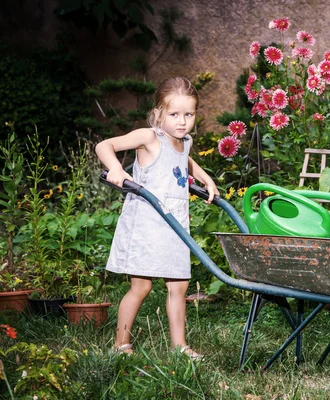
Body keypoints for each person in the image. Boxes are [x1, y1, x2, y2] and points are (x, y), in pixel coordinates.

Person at [96, 77, 219, 358]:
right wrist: (116, 169)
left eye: (188, 114)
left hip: (175, 226)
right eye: (174, 114)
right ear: (159, 113)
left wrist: (206, 179)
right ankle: (121, 344)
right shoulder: (149, 137)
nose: (182, 121)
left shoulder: (184, 141)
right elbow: (104, 145)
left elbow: (186, 161)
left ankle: (179, 346)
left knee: (180, 285)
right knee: (142, 286)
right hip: (146, 225)